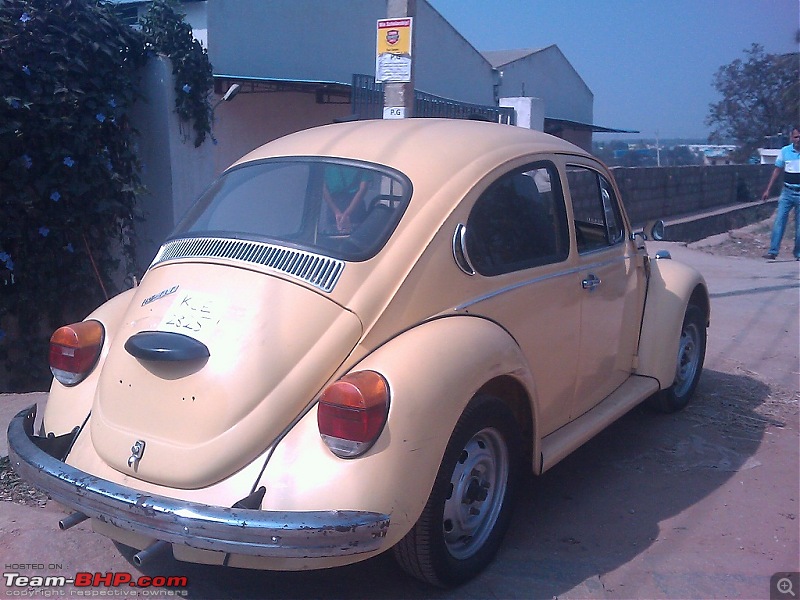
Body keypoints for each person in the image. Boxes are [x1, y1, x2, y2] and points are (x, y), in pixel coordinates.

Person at [761, 126, 800, 260]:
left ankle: (798, 253)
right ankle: (773, 251)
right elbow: (777, 171)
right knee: (779, 221)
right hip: (787, 192)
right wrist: (768, 190)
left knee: (799, 227)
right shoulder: (785, 151)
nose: (798, 139)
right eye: (796, 137)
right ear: (791, 138)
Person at [322, 165, 369, 233]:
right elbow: (363, 188)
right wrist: (346, 214)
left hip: (334, 207)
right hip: (356, 208)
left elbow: (322, 187)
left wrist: (336, 212)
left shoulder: (328, 161)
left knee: (331, 239)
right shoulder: (362, 160)